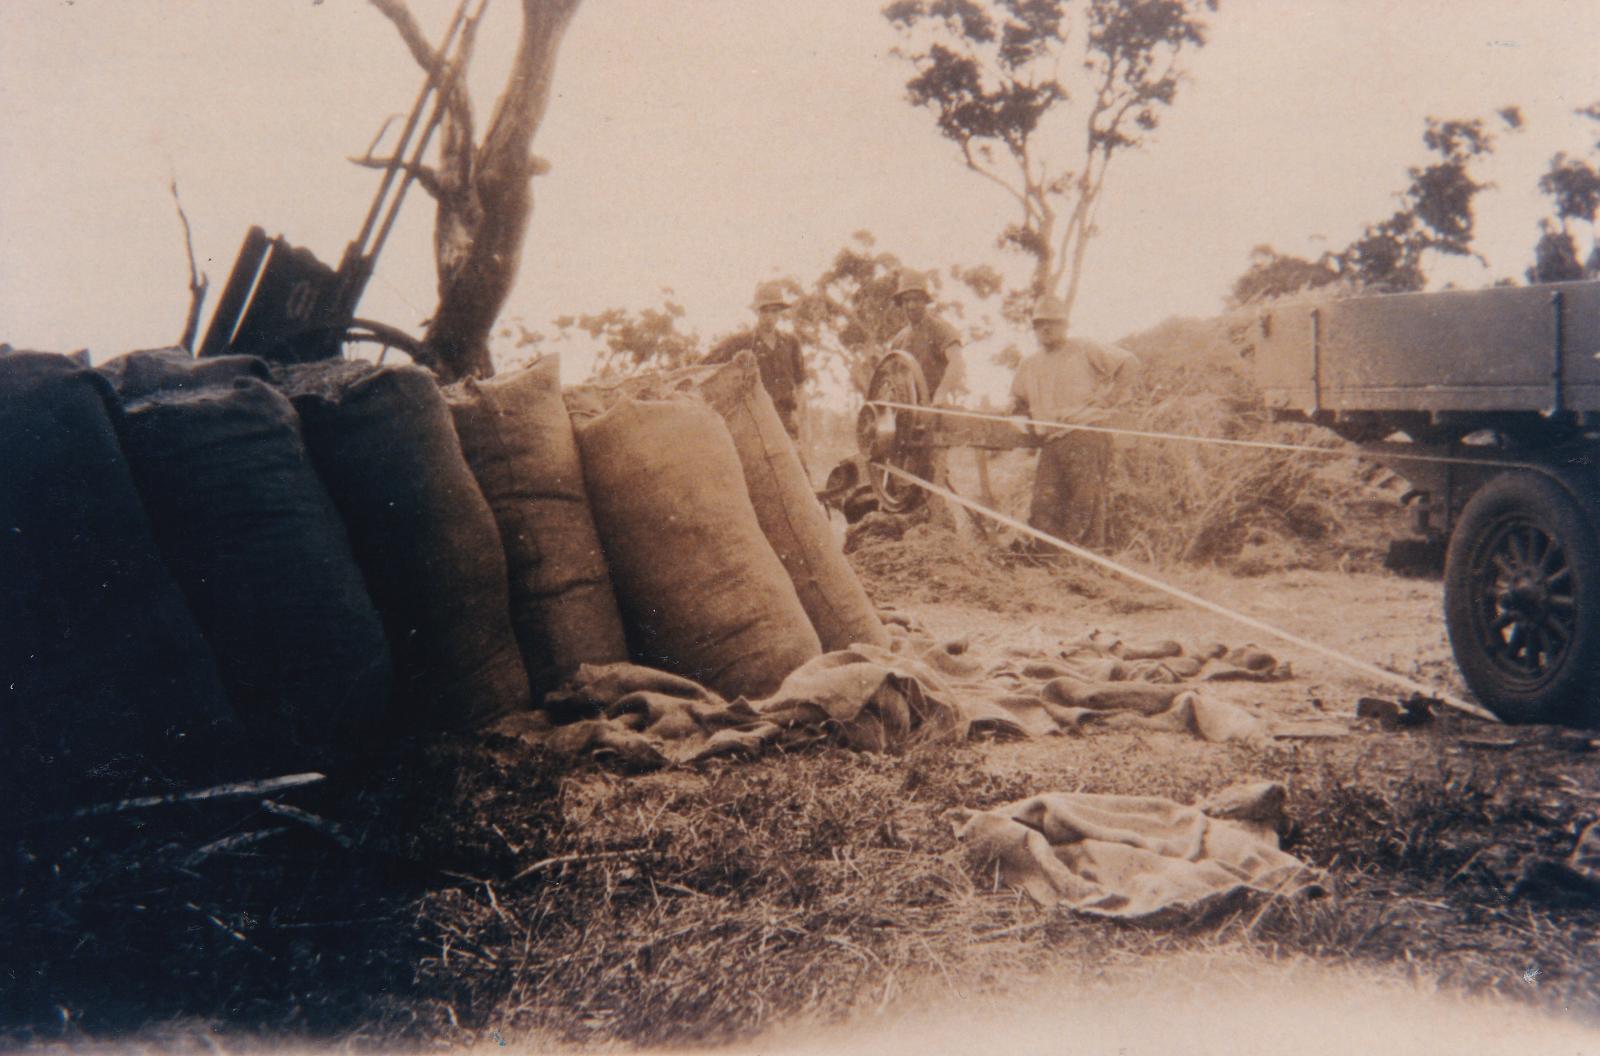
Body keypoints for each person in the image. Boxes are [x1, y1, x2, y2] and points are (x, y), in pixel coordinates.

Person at [1010, 294, 1139, 549]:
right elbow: (1017, 400)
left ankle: (1084, 567)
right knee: (1043, 507)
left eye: (1053, 322)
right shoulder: (1029, 364)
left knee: (1085, 504)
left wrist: (1109, 399)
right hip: (1051, 441)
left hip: (1085, 435)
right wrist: (1018, 414)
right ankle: (1052, 564)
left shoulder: (1084, 348)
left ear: (1065, 325)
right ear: (1034, 329)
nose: (1046, 328)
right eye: (1040, 323)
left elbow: (1130, 363)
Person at [705, 281, 808, 441]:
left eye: (774, 312)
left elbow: (800, 384)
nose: (769, 318)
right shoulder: (742, 342)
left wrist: (798, 415)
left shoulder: (790, 343)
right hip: (754, 423)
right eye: (764, 312)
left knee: (796, 464)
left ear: (780, 312)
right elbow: (707, 363)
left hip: (786, 421)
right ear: (756, 312)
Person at [886, 268, 963, 403]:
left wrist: (941, 393)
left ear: (925, 301)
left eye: (916, 299)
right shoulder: (899, 340)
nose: (911, 306)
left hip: (933, 408)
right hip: (905, 412)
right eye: (906, 300)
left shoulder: (940, 329)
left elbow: (957, 362)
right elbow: (892, 378)